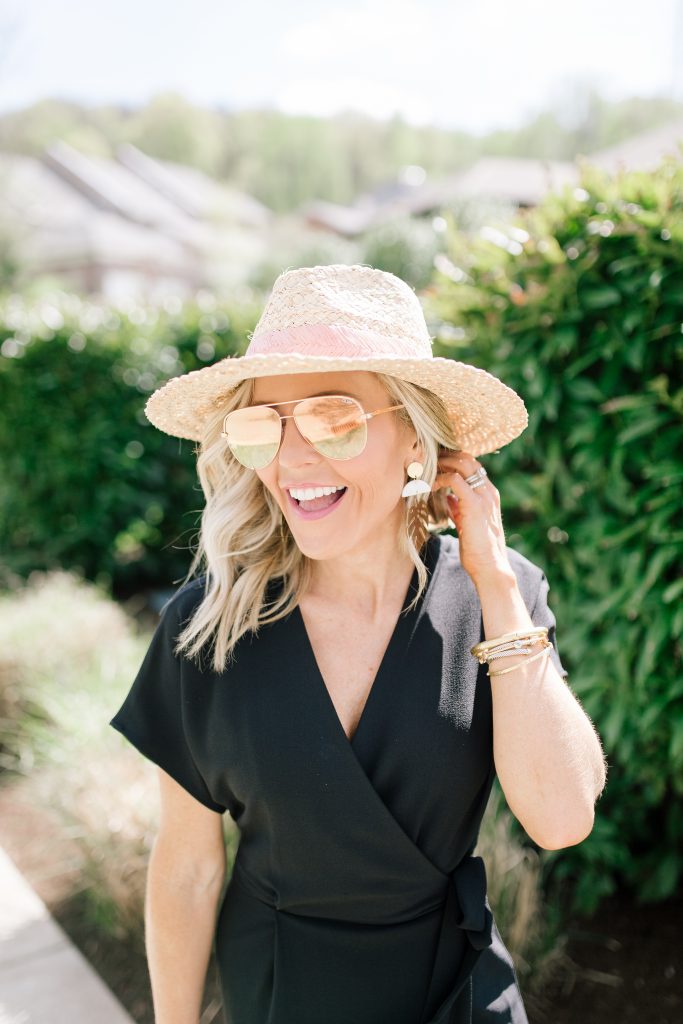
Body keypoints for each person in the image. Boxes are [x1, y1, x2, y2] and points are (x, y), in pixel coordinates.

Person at [109, 263, 607, 1024]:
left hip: (456, 994)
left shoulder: (493, 596)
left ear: (413, 435)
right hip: (282, 993)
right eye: (262, 426)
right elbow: (185, 870)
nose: (293, 460)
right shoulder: (205, 627)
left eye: (333, 418)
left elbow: (561, 819)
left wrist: (496, 583)